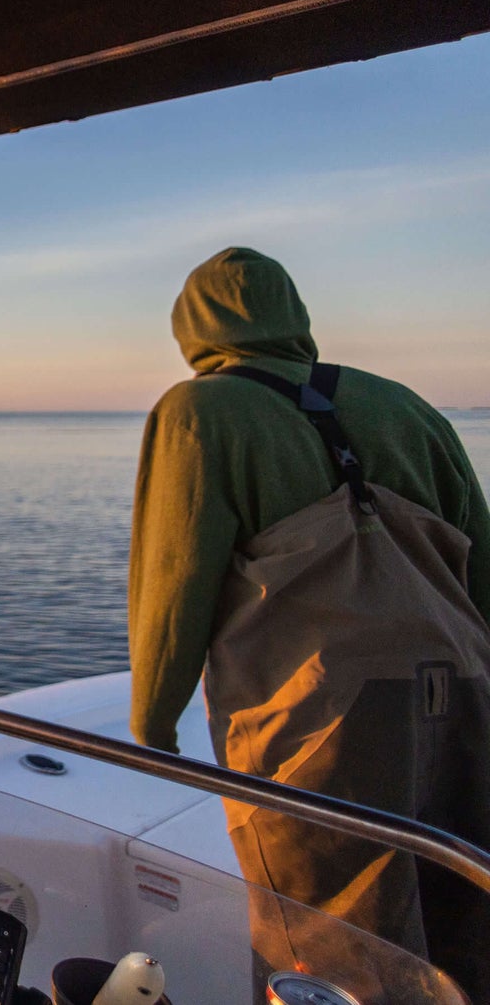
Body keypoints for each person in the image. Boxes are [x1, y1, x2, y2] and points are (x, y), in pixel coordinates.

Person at [128, 247, 490, 992]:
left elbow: (173, 587)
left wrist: (153, 726)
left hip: (328, 725)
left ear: (193, 330)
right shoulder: (406, 405)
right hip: (467, 700)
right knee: (464, 935)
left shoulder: (198, 412)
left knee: (332, 957)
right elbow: (482, 565)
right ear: (295, 314)